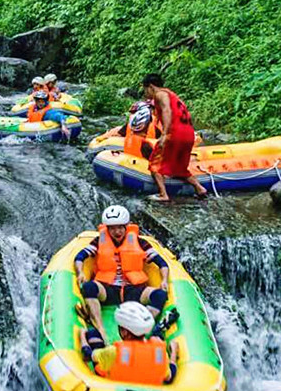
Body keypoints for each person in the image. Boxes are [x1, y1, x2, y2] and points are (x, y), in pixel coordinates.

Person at [74, 205, 169, 357]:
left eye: (120, 228)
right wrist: (80, 273)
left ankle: (143, 329)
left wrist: (164, 280)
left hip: (133, 289)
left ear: (126, 227)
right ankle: (100, 329)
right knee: (89, 287)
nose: (116, 232)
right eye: (112, 228)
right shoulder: (99, 241)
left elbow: (162, 263)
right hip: (109, 288)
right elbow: (80, 257)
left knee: (160, 295)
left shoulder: (140, 242)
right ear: (107, 229)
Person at [142, 73, 208, 201]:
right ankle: (200, 188)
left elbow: (167, 110)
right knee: (180, 168)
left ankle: (163, 195)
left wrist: (165, 133)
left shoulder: (160, 94)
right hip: (188, 134)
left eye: (145, 90)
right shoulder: (173, 95)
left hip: (174, 133)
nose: (146, 93)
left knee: (155, 163)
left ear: (150, 87)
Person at [85, 301, 179, 385]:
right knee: (156, 338)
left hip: (114, 390)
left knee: (93, 334)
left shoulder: (114, 352)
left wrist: (82, 336)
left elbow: (89, 355)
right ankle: (160, 327)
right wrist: (174, 352)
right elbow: (169, 377)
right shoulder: (159, 352)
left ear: (124, 332)